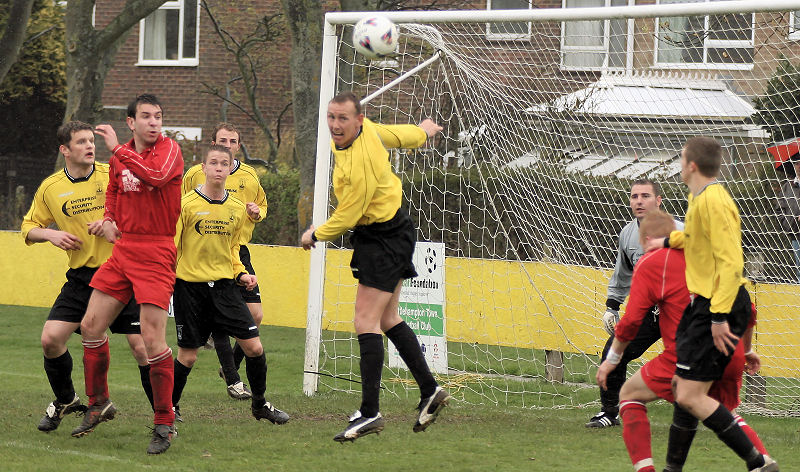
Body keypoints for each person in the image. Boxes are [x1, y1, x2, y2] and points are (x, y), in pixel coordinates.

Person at [301, 92, 450, 442]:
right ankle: (429, 389)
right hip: (389, 233)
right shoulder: (366, 131)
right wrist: (423, 131)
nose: (335, 125)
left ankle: (370, 413)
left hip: (382, 239)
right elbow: (397, 135)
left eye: (342, 118)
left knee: (364, 321)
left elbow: (349, 215)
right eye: (331, 117)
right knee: (387, 319)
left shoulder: (359, 163)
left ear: (358, 119)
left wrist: (315, 234)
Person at [596, 210, 769, 472]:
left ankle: (647, 470)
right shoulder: (709, 258)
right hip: (729, 348)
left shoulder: (653, 262)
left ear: (647, 238)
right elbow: (748, 308)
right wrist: (746, 350)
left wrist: (612, 359)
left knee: (630, 395)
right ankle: (763, 462)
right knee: (722, 411)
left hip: (687, 353)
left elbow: (631, 322)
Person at [644, 137, 778, 472]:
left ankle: (758, 462)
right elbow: (693, 238)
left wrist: (719, 317)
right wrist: (666, 240)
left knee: (690, 395)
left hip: (718, 304)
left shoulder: (714, 201)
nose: (678, 163)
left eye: (680, 158)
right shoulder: (699, 196)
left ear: (690, 164)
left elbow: (731, 264)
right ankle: (673, 469)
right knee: (681, 387)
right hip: (707, 305)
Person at [21, 121, 154, 433]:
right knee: (51, 340)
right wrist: (50, 235)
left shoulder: (113, 174)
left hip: (123, 271)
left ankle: (166, 412)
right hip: (82, 277)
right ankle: (67, 399)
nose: (89, 147)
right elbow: (28, 227)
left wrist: (112, 223)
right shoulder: (51, 188)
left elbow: (145, 210)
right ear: (64, 150)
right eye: (80, 142)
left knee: (142, 346)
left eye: (91, 141)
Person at [71, 94, 183, 455]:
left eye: (158, 116)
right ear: (132, 121)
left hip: (156, 251)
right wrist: (108, 219)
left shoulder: (169, 150)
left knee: (152, 340)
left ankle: (165, 421)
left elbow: (155, 177)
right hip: (124, 251)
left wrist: (117, 148)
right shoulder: (121, 160)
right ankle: (98, 402)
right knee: (90, 326)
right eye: (147, 117)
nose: (154, 122)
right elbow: (115, 191)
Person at [171, 145, 289, 425]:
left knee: (254, 348)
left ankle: (260, 405)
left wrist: (241, 274)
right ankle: (169, 409)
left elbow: (233, 250)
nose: (219, 168)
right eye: (214, 162)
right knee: (188, 356)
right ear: (203, 168)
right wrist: (165, 281)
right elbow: (171, 249)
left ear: (230, 167)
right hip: (190, 289)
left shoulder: (237, 209)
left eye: (225, 163)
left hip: (225, 289)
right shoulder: (185, 205)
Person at [586, 179, 682, 428]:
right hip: (650, 313)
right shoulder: (627, 234)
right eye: (634, 196)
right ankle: (609, 412)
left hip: (683, 313)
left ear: (659, 201)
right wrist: (612, 305)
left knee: (686, 369)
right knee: (613, 352)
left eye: (645, 196)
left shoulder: (681, 231)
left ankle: (711, 412)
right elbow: (623, 273)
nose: (639, 201)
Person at [182, 123, 267, 400]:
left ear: (238, 147)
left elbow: (261, 207)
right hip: (200, 255)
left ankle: (232, 370)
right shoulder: (194, 175)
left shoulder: (249, 176)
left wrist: (256, 212)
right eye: (222, 140)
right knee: (205, 334)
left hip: (235, 250)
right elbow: (182, 208)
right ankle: (232, 378)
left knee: (255, 314)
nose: (228, 145)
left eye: (232, 141)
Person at [776, 154, 800, 282]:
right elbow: (779, 210)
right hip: (796, 235)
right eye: (797, 163)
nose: (799, 166)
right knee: (799, 270)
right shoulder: (787, 187)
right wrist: (789, 224)